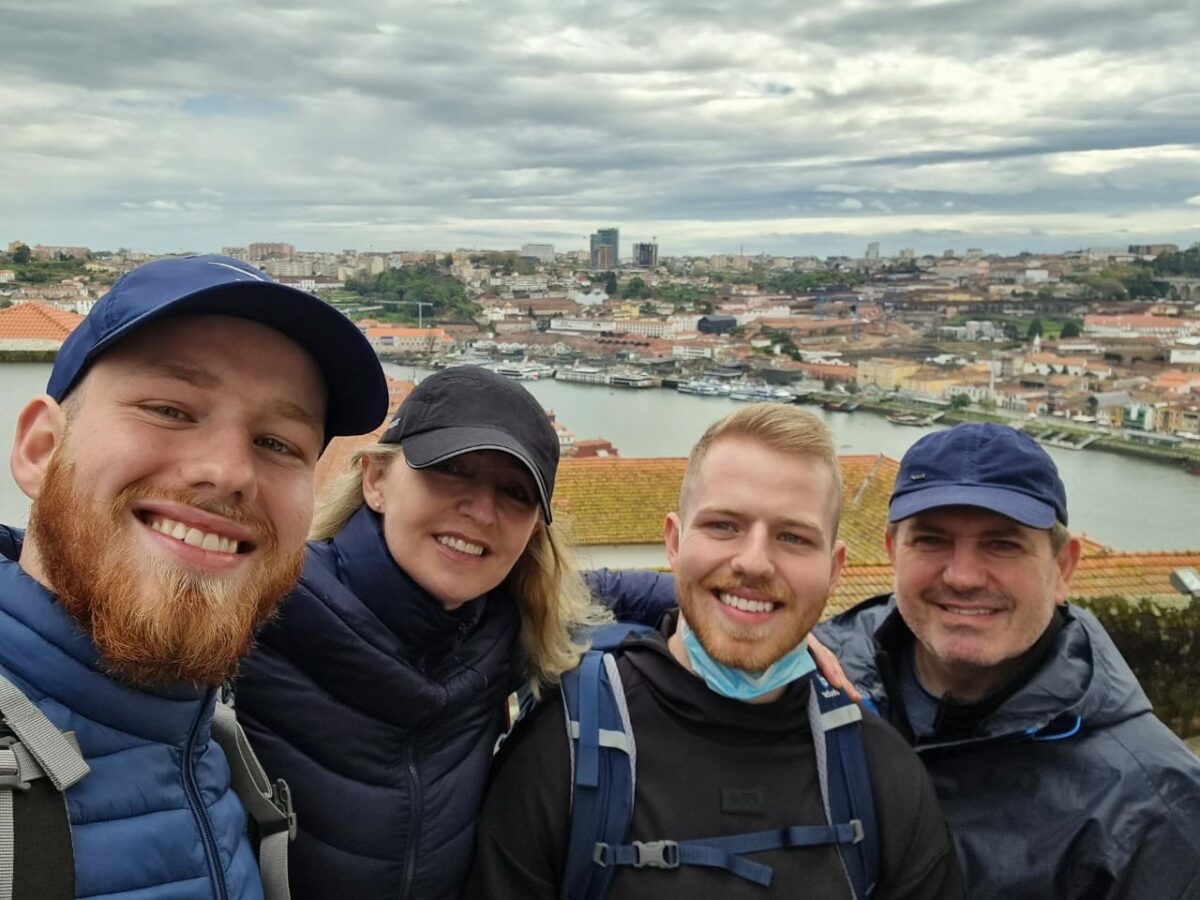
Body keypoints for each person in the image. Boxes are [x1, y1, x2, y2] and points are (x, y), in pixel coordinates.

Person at [0, 255, 388, 899]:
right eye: (170, 409)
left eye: (278, 443)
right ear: (41, 450)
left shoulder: (218, 748)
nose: (229, 472)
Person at [464, 404, 963, 899]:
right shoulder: (564, 749)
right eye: (724, 525)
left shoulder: (884, 777)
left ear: (835, 570)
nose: (754, 562)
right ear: (674, 543)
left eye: (792, 537)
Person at [233, 365, 669, 900]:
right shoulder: (265, 606)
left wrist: (755, 616)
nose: (482, 510)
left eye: (514, 491)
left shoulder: (507, 623)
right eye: (451, 469)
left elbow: (608, 591)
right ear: (375, 480)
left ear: (534, 528)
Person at [815, 423, 1200, 898]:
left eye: (1002, 544)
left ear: (1063, 569)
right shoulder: (806, 686)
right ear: (895, 553)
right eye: (932, 540)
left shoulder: (1158, 806)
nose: (962, 576)